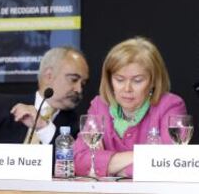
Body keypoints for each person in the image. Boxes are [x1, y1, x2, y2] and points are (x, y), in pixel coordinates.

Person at [74, 37, 187, 178]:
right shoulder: (99, 106)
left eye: (137, 80)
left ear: (153, 81)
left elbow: (169, 163)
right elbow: (77, 160)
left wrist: (109, 167)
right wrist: (141, 157)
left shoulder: (171, 106)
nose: (127, 88)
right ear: (109, 80)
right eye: (119, 79)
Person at [0, 46, 89, 155]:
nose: (79, 89)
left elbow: (75, 162)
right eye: (74, 79)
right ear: (49, 75)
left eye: (82, 84)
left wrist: (43, 127)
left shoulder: (81, 126)